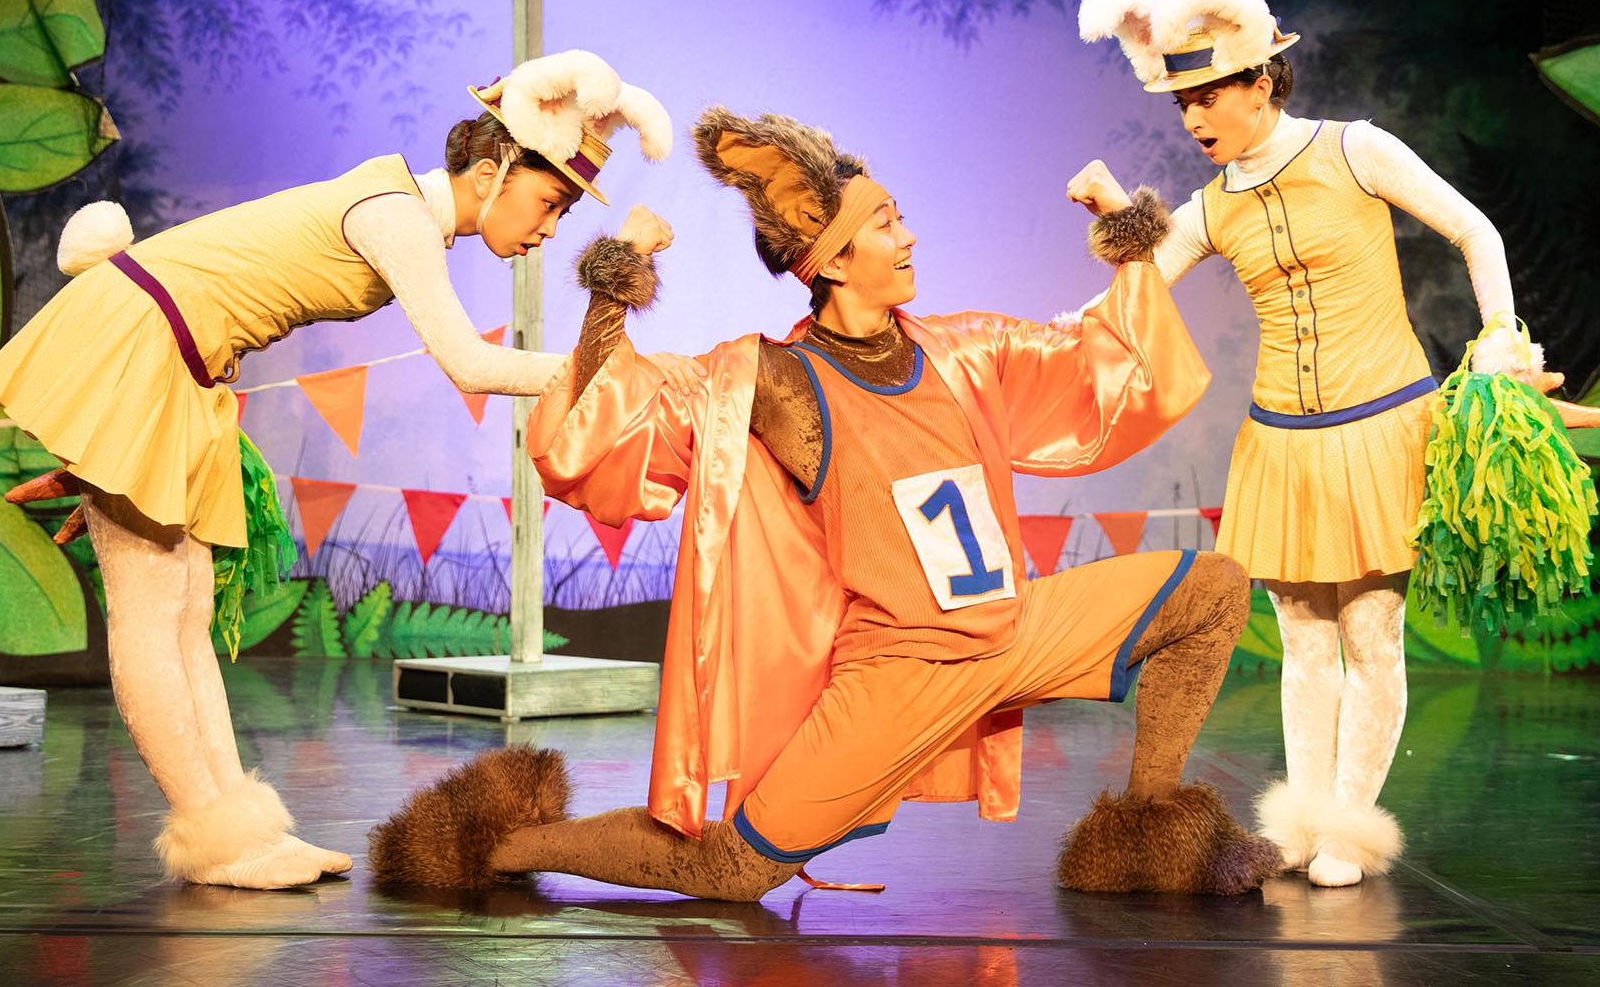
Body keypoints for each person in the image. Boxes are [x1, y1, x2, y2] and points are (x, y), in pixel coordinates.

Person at [368, 105, 1286, 900]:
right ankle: (499, 844)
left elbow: (1107, 365)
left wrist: (1126, 231)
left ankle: (1146, 835)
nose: (910, 236)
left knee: (1210, 589)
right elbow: (600, 430)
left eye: (901, 217)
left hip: (1020, 627)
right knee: (731, 867)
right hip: (902, 670)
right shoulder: (772, 381)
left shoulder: (964, 351)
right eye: (888, 224)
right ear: (835, 261)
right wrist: (614, 287)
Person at [0, 50, 690, 890]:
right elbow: (467, 363)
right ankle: (218, 847)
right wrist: (612, 374)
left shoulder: (400, 207)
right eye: (548, 203)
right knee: (152, 604)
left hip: (176, 358)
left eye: (563, 213)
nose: (547, 229)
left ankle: (237, 832)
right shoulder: (397, 215)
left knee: (187, 605)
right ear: (491, 171)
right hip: (138, 340)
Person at [1076, 0, 1600, 887]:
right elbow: (1121, 302)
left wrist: (1503, 347)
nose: (1194, 117)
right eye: (1181, 101)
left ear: (1260, 82)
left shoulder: (1354, 150)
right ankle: (1302, 826)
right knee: (1305, 641)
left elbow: (1478, 233)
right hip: (1282, 441)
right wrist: (1104, 236)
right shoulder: (1212, 207)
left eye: (1207, 95)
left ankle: (1350, 829)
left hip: (1379, 424)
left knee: (1370, 632)